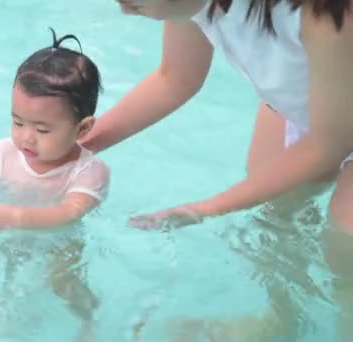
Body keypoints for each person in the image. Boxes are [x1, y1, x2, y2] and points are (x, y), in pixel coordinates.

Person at [79, 0, 353, 340]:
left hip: (338, 117)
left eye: (134, 2)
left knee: (346, 248)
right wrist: (75, 147)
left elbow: (330, 145)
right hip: (308, 102)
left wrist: (207, 208)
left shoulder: (323, 13)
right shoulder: (193, 3)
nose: (124, 11)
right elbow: (175, 78)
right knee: (276, 214)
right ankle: (281, 321)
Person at [0, 28, 110, 341]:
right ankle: (10, 303)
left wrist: (13, 217)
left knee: (64, 283)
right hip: (13, 235)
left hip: (61, 244)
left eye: (42, 130)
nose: (25, 137)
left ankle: (88, 318)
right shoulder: (5, 152)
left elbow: (70, 213)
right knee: (13, 270)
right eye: (17, 122)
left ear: (83, 127)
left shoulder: (88, 171)